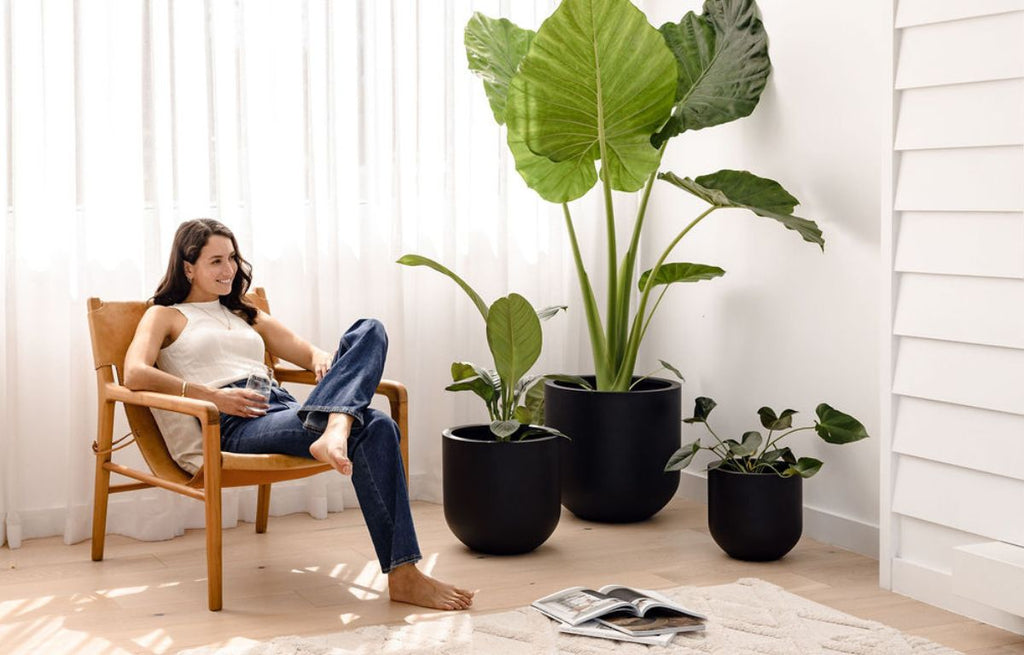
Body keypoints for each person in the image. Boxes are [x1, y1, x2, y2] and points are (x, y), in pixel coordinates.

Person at [123, 218, 473, 611]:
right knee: (377, 424)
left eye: (233, 258)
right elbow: (134, 373)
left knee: (369, 329)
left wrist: (329, 362)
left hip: (286, 406)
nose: (229, 270)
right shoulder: (164, 315)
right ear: (188, 267)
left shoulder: (244, 312)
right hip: (237, 421)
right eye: (216, 261)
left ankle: (336, 427)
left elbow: (308, 353)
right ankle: (403, 572)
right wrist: (212, 397)